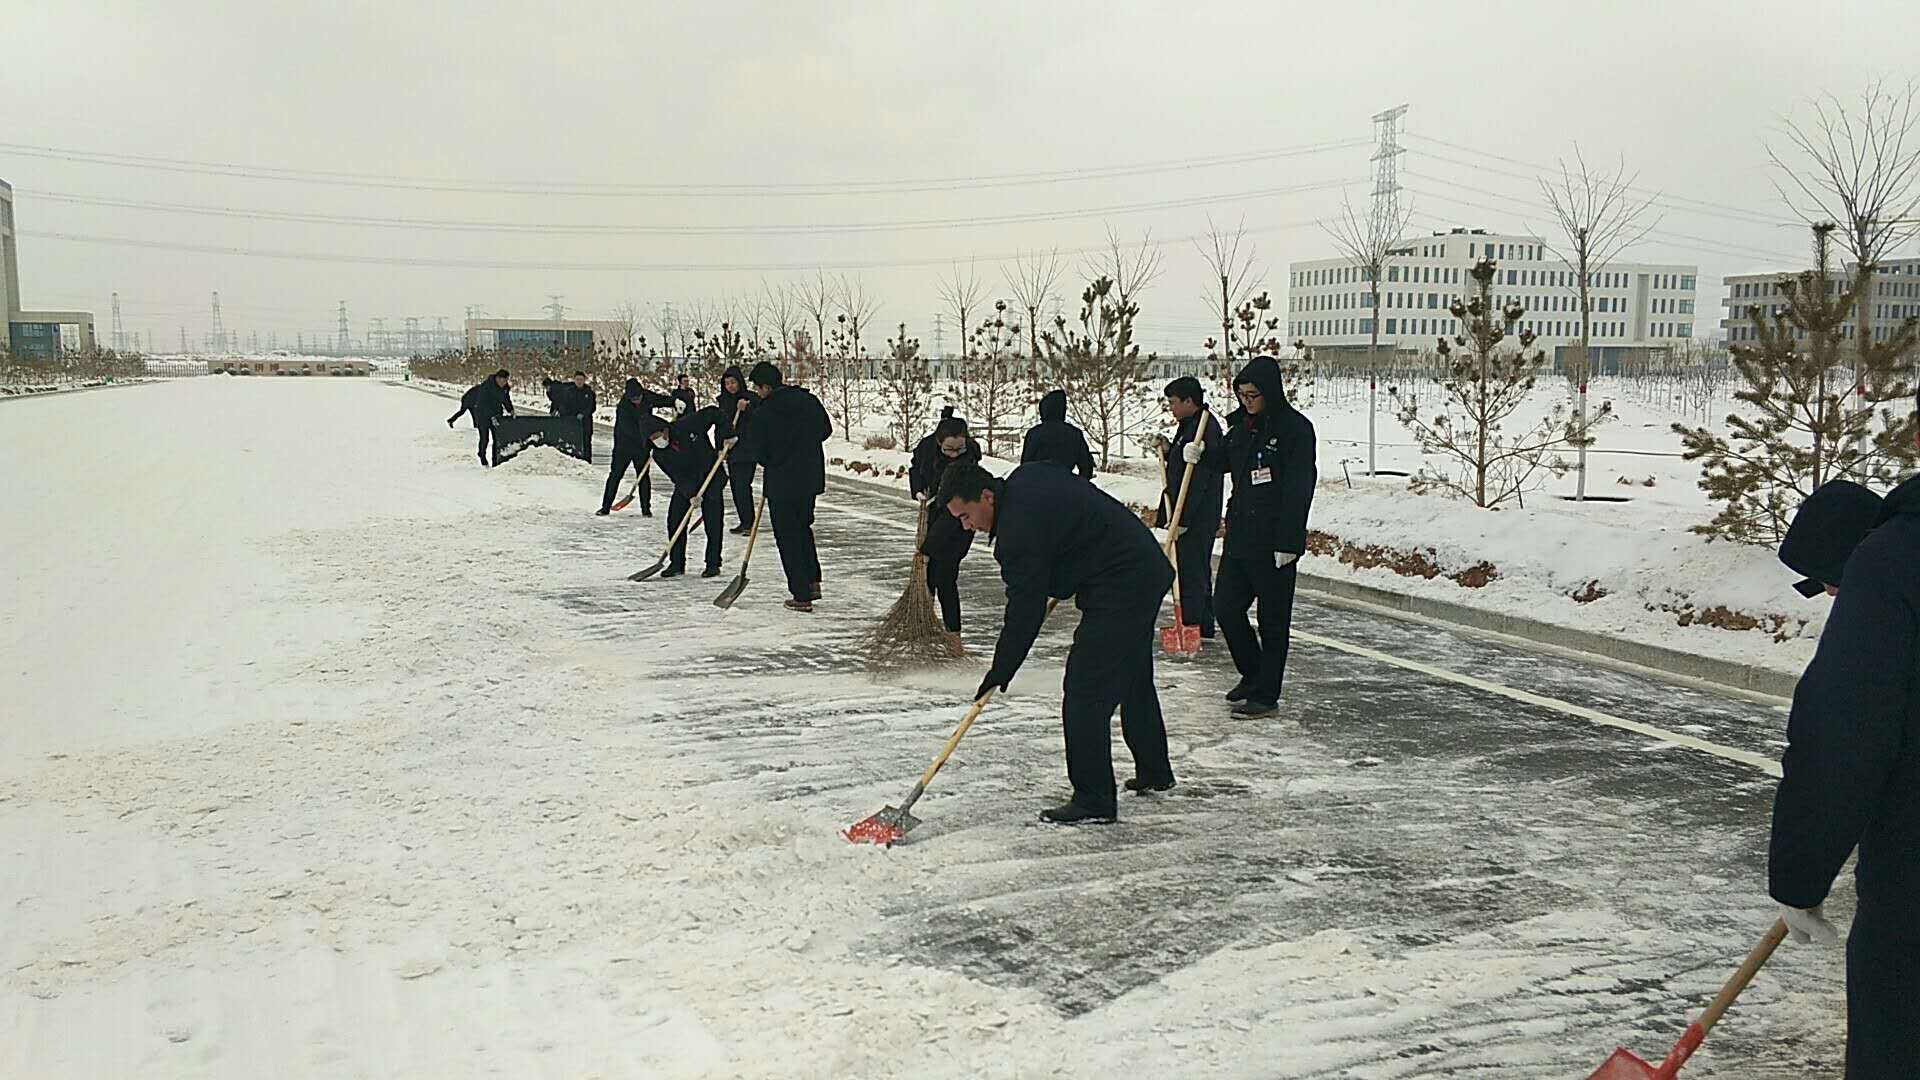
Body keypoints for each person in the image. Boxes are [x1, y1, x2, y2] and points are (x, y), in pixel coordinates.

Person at [1769, 450, 1920, 1076]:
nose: (1832, 593)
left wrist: (1799, 880)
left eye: (1829, 581)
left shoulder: (1895, 564)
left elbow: (1843, 740)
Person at [941, 459, 1176, 823]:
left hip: (1121, 583)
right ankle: (1155, 771)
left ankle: (1094, 800)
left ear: (986, 496)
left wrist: (1001, 669)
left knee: (1085, 689)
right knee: (1131, 674)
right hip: (1141, 564)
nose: (966, 526)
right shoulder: (1027, 477)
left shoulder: (1017, 533)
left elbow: (1025, 611)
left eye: (966, 516)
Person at [1195, 355, 1315, 719]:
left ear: (1270, 392)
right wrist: (1200, 455)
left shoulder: (1295, 430)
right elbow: (1227, 461)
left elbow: (1299, 487)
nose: (1246, 401)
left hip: (1274, 540)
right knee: (1226, 607)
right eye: (1242, 395)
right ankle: (1252, 673)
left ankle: (1266, 695)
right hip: (1241, 536)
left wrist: (1289, 542)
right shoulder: (1243, 426)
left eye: (1253, 395)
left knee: (1272, 621)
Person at [741, 361, 831, 612]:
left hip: (781, 482)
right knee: (803, 528)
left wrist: (776, 455)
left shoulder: (764, 412)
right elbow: (825, 429)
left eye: (758, 388)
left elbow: (758, 451)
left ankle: (801, 594)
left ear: (766, 387)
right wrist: (805, 444)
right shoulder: (808, 401)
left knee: (788, 537)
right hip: (809, 478)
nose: (757, 393)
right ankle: (812, 582)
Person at [1156, 377, 1226, 640]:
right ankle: (1201, 623)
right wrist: (1168, 451)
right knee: (1192, 569)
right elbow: (1182, 464)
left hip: (1196, 515)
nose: (1171, 408)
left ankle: (1193, 624)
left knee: (1191, 572)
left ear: (1189, 401)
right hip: (1186, 512)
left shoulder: (1204, 428)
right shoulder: (1190, 425)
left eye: (1174, 403)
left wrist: (1183, 518)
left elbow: (1199, 479)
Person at [909, 407, 983, 633]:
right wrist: (918, 489)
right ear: (938, 443)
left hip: (960, 524)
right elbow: (915, 468)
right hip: (933, 515)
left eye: (959, 449)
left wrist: (927, 547)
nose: (954, 454)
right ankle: (924, 623)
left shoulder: (968, 463)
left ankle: (953, 634)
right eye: (948, 449)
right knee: (929, 576)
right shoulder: (926, 450)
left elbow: (953, 515)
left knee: (945, 577)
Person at [642, 401, 728, 579]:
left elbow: (714, 413)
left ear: (665, 429)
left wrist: (727, 436)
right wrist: (690, 494)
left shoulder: (688, 425)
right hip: (688, 483)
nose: (658, 440)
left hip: (710, 475)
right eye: (653, 438)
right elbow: (677, 476)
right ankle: (677, 563)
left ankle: (713, 563)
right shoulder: (659, 454)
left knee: (713, 522)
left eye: (658, 435)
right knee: (675, 519)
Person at [598, 378, 655, 517]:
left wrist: (674, 402)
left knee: (643, 477)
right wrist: (650, 437)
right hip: (623, 447)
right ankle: (605, 507)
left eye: (639, 398)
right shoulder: (623, 407)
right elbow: (631, 430)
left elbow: (661, 400)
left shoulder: (646, 397)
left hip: (642, 448)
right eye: (634, 399)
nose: (637, 401)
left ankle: (646, 509)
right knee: (615, 475)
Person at [716, 365, 757, 533]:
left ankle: (749, 523)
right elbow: (719, 426)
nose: (730, 386)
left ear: (739, 382)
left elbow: (760, 418)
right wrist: (720, 446)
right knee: (735, 487)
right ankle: (745, 521)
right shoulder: (723, 401)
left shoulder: (751, 398)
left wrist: (747, 408)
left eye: (733, 382)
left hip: (747, 450)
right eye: (727, 384)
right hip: (731, 450)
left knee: (742, 486)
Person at [1021, 389, 1096, 478]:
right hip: (1065, 483)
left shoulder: (1034, 433)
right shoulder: (1075, 434)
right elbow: (1086, 467)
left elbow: (1024, 468)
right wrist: (1076, 483)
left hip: (1037, 483)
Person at [450, 369, 514, 467]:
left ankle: (495, 460)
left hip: (496, 415)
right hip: (482, 415)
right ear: (497, 378)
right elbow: (482, 403)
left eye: (505, 381)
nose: (503, 383)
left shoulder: (505, 388)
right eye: (502, 381)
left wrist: (510, 410)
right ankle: (482, 455)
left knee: (497, 439)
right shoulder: (486, 386)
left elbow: (506, 399)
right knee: (484, 438)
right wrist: (491, 416)